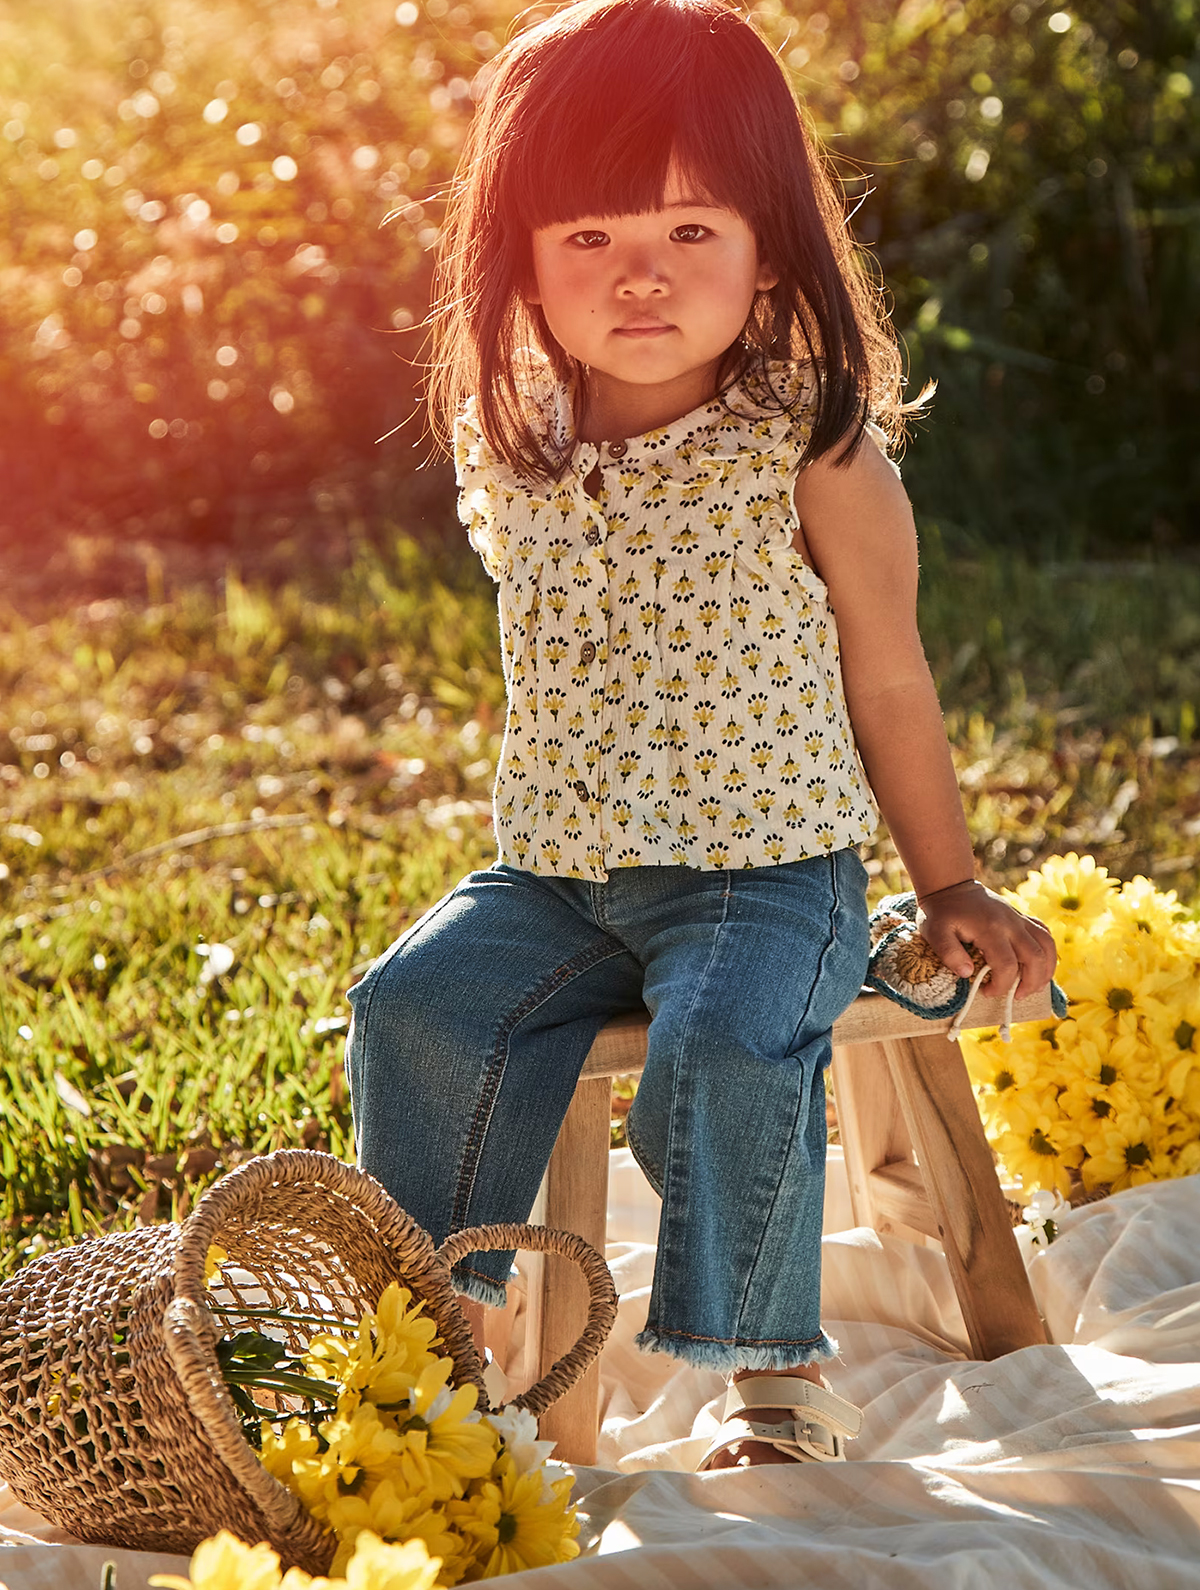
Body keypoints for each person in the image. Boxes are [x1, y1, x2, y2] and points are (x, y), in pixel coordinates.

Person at [346, 0, 1057, 1470]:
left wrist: (948, 883)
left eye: (689, 234)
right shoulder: (517, 433)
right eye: (590, 239)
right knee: (407, 1002)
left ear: (767, 244)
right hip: (558, 874)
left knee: (728, 1045)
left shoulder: (807, 438)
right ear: (521, 260)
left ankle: (769, 1368)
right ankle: (428, 1332)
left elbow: (893, 673)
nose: (641, 279)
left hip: (764, 871)